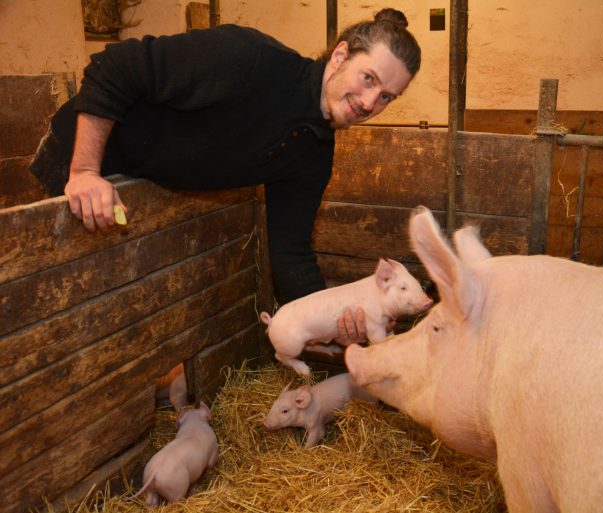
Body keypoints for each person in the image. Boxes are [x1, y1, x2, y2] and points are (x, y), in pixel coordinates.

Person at [30, 8, 421, 343]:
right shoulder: (249, 60)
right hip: (86, 156)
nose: (371, 103)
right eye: (368, 78)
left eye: (387, 96)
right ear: (339, 56)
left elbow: (291, 254)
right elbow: (114, 66)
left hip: (139, 182)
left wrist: (334, 319)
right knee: (47, 299)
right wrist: (83, 171)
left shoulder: (313, 151)